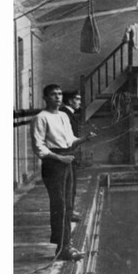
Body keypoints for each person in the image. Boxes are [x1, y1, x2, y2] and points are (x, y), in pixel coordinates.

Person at [31, 84, 94, 261]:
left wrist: (84, 139)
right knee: (59, 205)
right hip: (53, 163)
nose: (57, 97)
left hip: (66, 159)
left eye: (59, 94)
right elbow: (39, 147)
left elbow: (70, 140)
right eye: (53, 95)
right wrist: (59, 159)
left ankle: (66, 244)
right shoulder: (40, 118)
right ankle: (62, 247)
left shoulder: (64, 116)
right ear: (45, 98)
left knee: (67, 205)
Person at [60, 91, 83, 221]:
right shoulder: (65, 114)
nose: (80, 102)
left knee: (71, 185)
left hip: (70, 154)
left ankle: (70, 211)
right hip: (67, 154)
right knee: (69, 186)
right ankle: (68, 214)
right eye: (77, 99)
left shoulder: (69, 114)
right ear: (70, 101)